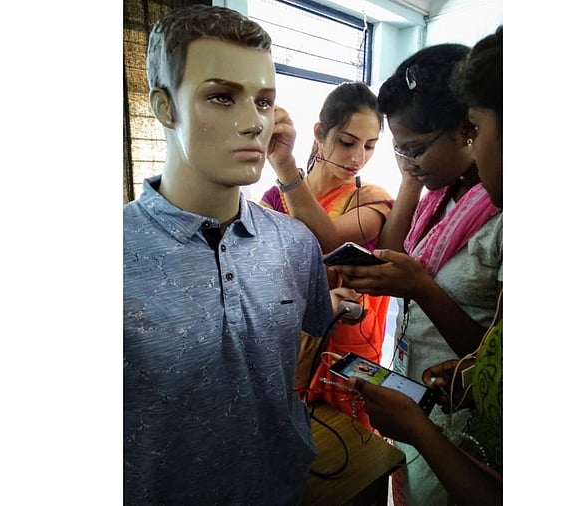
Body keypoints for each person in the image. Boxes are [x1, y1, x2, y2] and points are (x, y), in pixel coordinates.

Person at [122, 6, 334, 504]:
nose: (252, 123)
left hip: (284, 490)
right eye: (221, 97)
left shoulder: (296, 245)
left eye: (264, 102)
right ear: (165, 106)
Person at [331, 43, 502, 505]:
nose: (408, 163)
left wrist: (421, 288)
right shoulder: (441, 196)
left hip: (463, 418)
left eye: (417, 149)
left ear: (467, 130)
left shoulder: (500, 216)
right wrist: (414, 171)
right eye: (399, 151)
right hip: (420, 392)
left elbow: (496, 359)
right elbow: (395, 248)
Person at [261, 82, 393, 429]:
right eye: (348, 142)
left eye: (369, 146)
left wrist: (285, 167)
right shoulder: (272, 201)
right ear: (319, 133)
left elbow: (328, 240)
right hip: (290, 349)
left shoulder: (371, 199)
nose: (358, 158)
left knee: (357, 454)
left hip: (350, 352)